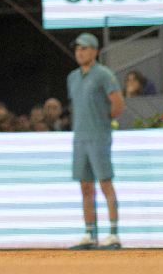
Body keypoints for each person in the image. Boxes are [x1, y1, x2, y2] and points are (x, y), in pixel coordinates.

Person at [67, 32, 123, 250]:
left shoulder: (104, 75)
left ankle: (113, 234)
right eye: (77, 49)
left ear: (95, 51)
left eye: (84, 48)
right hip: (79, 138)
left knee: (105, 183)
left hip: (99, 137)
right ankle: (90, 234)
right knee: (85, 187)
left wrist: (102, 121)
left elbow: (118, 104)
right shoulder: (72, 77)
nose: (80, 52)